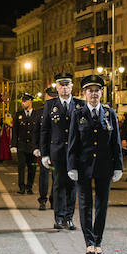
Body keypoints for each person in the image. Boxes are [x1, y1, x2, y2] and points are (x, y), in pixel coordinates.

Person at [66, 74, 122, 254]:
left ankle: (98, 241)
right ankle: (88, 242)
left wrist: (118, 166)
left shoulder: (109, 113)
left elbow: (116, 142)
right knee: (84, 204)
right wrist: (71, 166)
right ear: (84, 93)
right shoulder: (78, 114)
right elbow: (73, 142)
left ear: (101, 92)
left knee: (101, 205)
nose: (94, 94)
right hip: (83, 166)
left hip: (104, 166)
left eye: (97, 90)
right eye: (90, 90)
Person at [40, 74, 79, 230]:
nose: (64, 88)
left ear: (71, 86)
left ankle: (69, 218)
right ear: (57, 87)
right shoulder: (50, 105)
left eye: (67, 85)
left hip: (75, 152)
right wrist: (44, 153)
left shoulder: (79, 105)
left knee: (72, 185)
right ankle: (59, 217)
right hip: (57, 151)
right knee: (58, 184)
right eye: (61, 85)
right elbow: (45, 130)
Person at [33, 86, 56, 210]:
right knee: (44, 175)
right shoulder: (39, 112)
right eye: (50, 96)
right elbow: (36, 131)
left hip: (56, 147)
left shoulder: (60, 110)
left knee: (56, 176)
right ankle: (42, 199)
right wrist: (36, 147)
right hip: (44, 147)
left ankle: (54, 199)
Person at [11, 95, 39, 194]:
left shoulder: (37, 114)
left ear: (30, 102)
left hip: (33, 146)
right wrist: (13, 145)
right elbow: (15, 131)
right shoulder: (18, 114)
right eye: (22, 101)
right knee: (21, 167)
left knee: (32, 167)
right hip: (21, 145)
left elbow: (39, 131)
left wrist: (39, 146)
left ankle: (29, 187)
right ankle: (21, 187)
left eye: (25, 101)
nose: (23, 103)